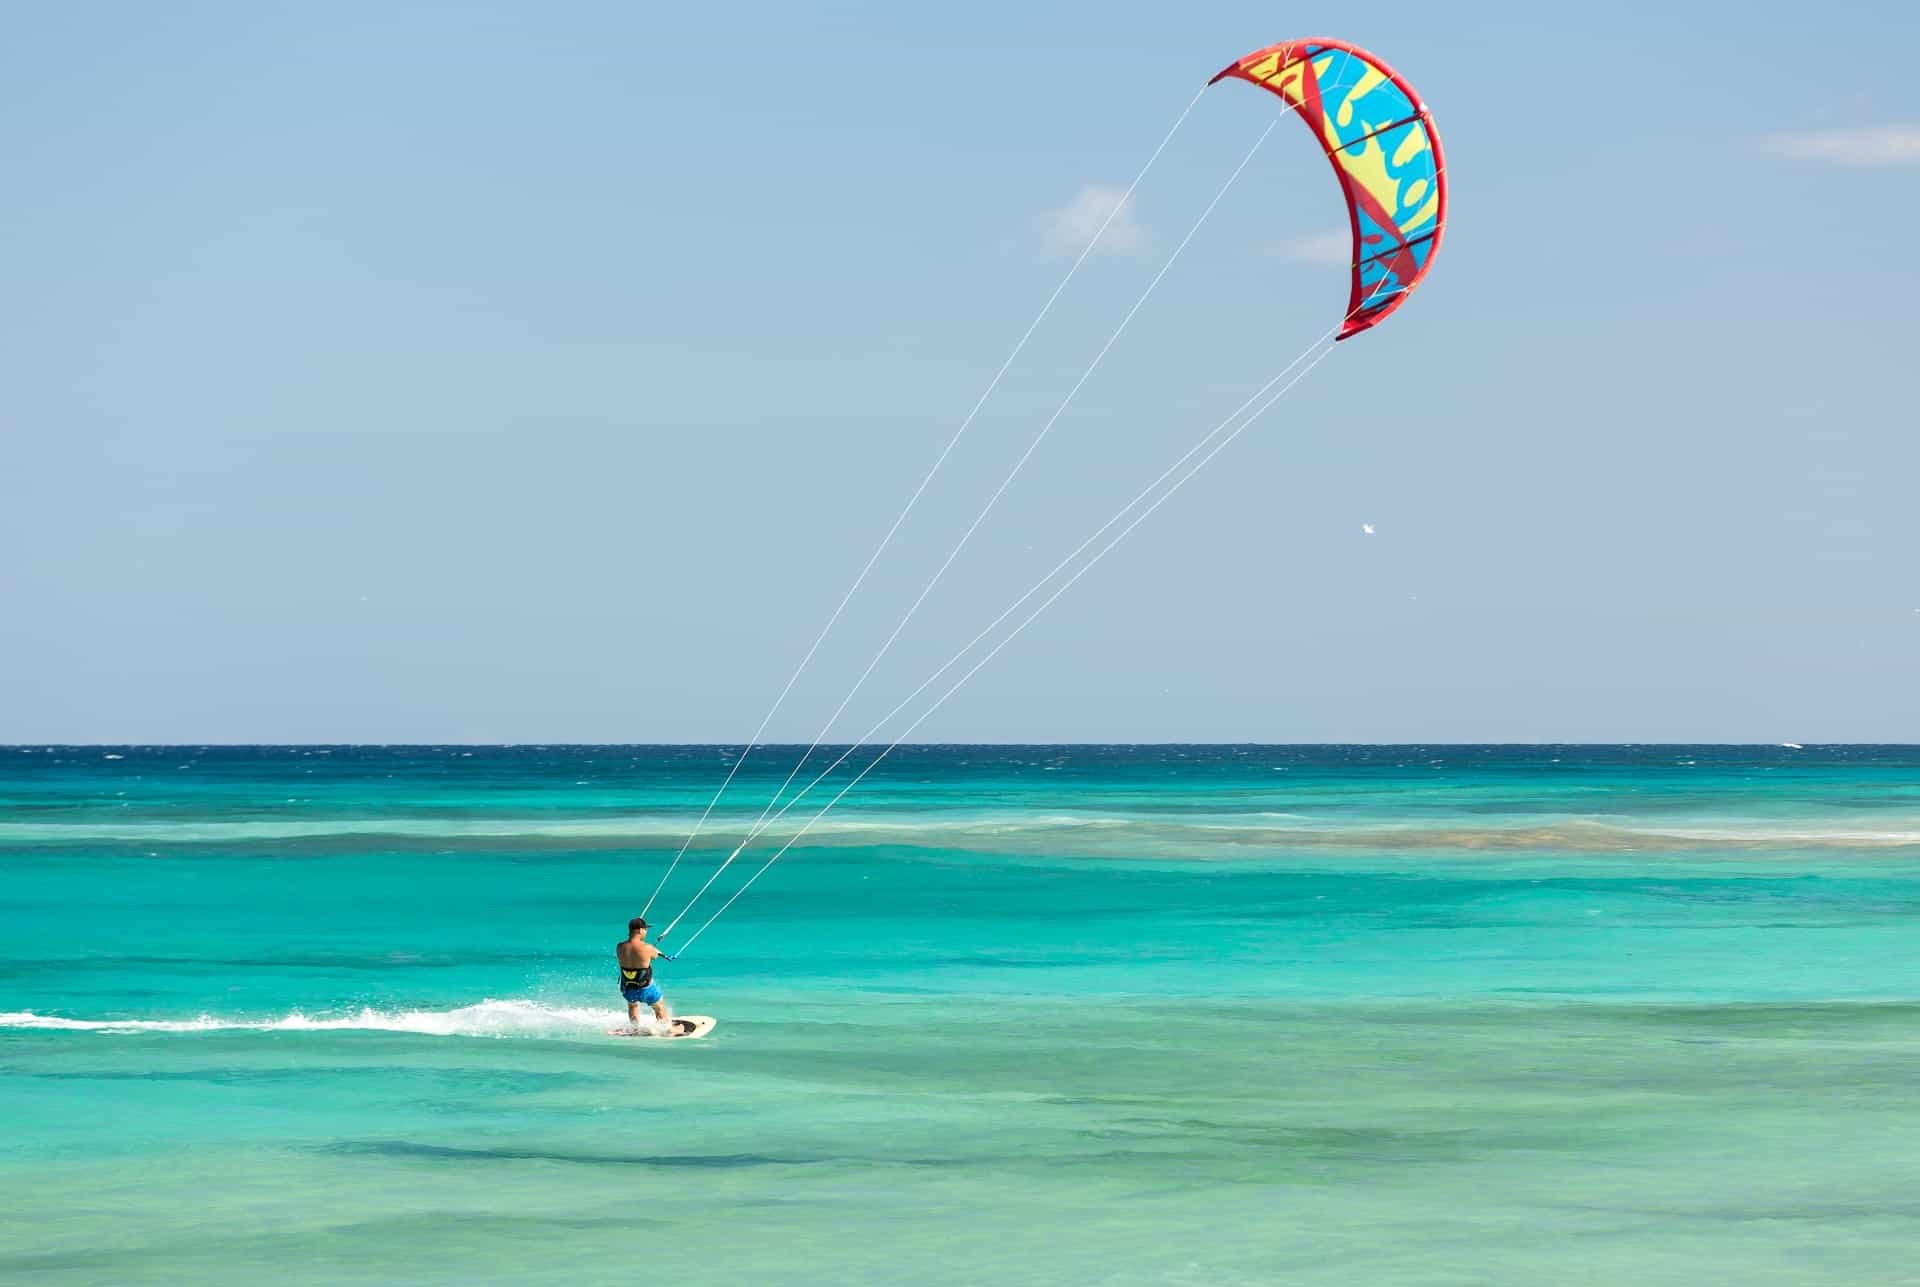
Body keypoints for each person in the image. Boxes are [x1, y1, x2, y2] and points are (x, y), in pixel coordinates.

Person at [616, 916, 672, 1031]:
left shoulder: (620, 947)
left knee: (633, 1006)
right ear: (640, 930)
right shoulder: (647, 948)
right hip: (646, 988)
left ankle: (635, 1029)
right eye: (645, 929)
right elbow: (655, 956)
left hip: (628, 988)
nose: (646, 932)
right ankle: (668, 1030)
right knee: (659, 1007)